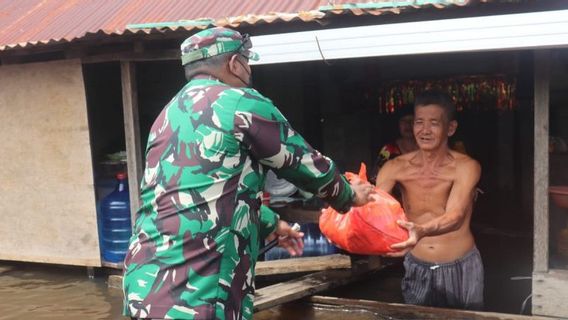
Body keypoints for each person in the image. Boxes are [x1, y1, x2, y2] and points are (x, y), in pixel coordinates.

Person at [122, 27, 374, 320]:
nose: (249, 69)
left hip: (143, 288)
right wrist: (348, 195)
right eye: (247, 60)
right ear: (233, 64)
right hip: (197, 298)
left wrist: (271, 223)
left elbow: (196, 193)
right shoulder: (241, 102)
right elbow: (303, 164)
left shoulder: (167, 115)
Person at [375, 90, 483, 310]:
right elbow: (374, 209)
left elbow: (455, 216)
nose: (424, 130)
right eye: (419, 122)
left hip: (460, 264)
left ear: (450, 128)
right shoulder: (394, 167)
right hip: (417, 265)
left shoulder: (466, 166)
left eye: (434, 123)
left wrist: (420, 231)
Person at [370, 104, 418, 184]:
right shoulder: (389, 150)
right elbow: (375, 178)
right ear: (398, 124)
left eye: (412, 121)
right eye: (403, 121)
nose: (408, 125)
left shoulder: (426, 149)